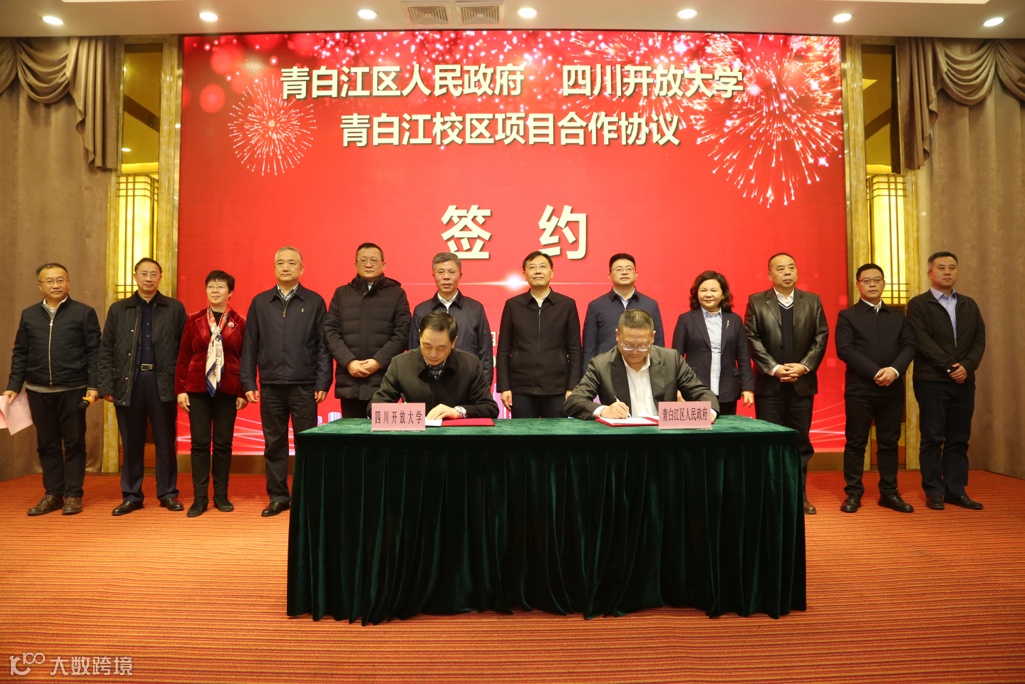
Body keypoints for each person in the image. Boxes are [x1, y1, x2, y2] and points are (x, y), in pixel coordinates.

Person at [240, 247, 331, 517]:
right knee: (274, 444)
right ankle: (278, 496)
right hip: (270, 385)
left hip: (304, 386)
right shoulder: (260, 302)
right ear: (274, 268)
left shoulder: (314, 301)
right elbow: (250, 345)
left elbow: (323, 346)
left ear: (302, 269)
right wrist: (248, 382)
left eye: (292, 263)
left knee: (307, 444)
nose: (286, 267)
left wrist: (323, 381)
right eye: (280, 263)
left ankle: (307, 497)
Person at [4, 263, 101, 516]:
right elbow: (20, 352)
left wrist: (94, 385)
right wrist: (13, 386)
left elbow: (95, 352)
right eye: (49, 281)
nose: (55, 285)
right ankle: (53, 494)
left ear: (68, 282)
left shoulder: (83, 313)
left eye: (60, 280)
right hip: (38, 391)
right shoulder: (29, 315)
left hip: (74, 389)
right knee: (47, 444)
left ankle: (74, 494)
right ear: (40, 286)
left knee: (74, 443)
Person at [98, 258, 187, 515]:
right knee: (131, 441)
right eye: (144, 274)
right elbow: (106, 349)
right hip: (129, 381)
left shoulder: (174, 308)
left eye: (153, 274)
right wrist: (106, 385)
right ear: (135, 276)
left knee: (165, 441)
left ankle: (168, 493)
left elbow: (185, 351)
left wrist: (182, 385)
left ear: (161, 277)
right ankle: (132, 495)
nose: (148, 278)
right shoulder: (119, 309)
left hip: (163, 381)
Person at [744, 252, 829, 515]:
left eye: (791, 267)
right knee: (770, 442)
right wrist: (775, 369)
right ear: (770, 275)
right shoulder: (757, 301)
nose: (787, 272)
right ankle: (771, 497)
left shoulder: (812, 301)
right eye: (781, 269)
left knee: (799, 442)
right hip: (770, 387)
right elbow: (752, 338)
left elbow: (821, 337)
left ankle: (798, 495)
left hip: (802, 385)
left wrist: (803, 367)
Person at [906, 251, 986, 511]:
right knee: (932, 437)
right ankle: (933, 491)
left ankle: (955, 490)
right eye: (941, 267)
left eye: (952, 267)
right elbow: (922, 341)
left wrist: (967, 367)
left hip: (964, 381)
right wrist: (951, 367)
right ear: (930, 272)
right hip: (932, 380)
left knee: (959, 438)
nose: (948, 272)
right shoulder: (919, 304)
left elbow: (979, 340)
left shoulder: (969, 304)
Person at [835, 264, 916, 514]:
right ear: (858, 284)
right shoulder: (847, 316)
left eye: (877, 280)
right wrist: (876, 372)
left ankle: (889, 492)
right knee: (856, 442)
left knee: (889, 443)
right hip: (860, 390)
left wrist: (894, 371)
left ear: (883, 284)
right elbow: (845, 350)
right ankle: (853, 493)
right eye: (866, 280)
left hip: (892, 388)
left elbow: (909, 345)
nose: (872, 284)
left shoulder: (898, 316)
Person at [175, 270, 247, 517]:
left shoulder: (240, 321)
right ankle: (200, 498)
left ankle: (221, 495)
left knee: (224, 443)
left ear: (230, 292)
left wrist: (243, 391)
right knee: (199, 443)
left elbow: (245, 358)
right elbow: (183, 357)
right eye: (211, 286)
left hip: (228, 388)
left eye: (220, 286)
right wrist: (180, 390)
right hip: (197, 388)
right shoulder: (193, 319)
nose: (215, 291)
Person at [566, 309, 718, 420]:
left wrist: (709, 411)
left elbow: (702, 393)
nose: (635, 352)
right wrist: (603, 410)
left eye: (643, 346)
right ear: (617, 335)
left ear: (652, 337)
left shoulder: (671, 359)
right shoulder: (601, 364)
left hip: (664, 437)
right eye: (627, 345)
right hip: (624, 439)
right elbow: (574, 401)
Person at [325, 242, 411, 419]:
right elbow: (331, 331)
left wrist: (377, 362)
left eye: (373, 260)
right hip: (350, 380)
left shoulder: (397, 294)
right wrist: (349, 362)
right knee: (351, 433)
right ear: (355, 265)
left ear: (383, 264)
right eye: (363, 260)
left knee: (383, 434)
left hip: (384, 380)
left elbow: (402, 334)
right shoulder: (341, 294)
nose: (368, 264)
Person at [496, 251, 582, 418]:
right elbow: (503, 350)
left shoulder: (566, 305)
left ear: (551, 272)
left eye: (543, 267)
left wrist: (573, 387)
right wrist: (504, 387)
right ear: (524, 274)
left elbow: (575, 350)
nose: (537, 271)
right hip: (521, 387)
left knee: (558, 434)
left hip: (557, 388)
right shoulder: (513, 305)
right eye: (532, 267)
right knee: (524, 433)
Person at [372, 312, 498, 419]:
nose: (433, 354)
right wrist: (409, 414)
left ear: (453, 342)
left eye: (441, 347)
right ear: (420, 335)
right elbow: (374, 408)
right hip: (415, 437)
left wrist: (457, 412)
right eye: (427, 346)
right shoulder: (400, 364)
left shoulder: (470, 364)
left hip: (456, 436)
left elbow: (490, 408)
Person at [671, 270, 754, 415]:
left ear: (723, 294)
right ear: (696, 294)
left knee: (727, 428)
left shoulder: (734, 320)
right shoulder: (686, 320)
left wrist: (747, 387)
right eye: (703, 290)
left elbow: (743, 356)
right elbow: (676, 357)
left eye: (713, 290)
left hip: (727, 389)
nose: (708, 294)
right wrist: (676, 388)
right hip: (694, 389)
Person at [410, 252, 493, 384]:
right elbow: (413, 352)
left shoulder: (475, 309)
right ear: (433, 275)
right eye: (441, 272)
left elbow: (485, 352)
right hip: (430, 383)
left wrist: (484, 387)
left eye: (451, 272)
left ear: (460, 275)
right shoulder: (421, 310)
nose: (446, 277)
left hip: (468, 381)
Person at [581, 253, 664, 369]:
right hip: (606, 369)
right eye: (619, 269)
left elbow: (658, 343)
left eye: (629, 269)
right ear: (610, 276)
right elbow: (589, 347)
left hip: (642, 368)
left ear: (636, 275)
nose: (624, 272)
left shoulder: (650, 305)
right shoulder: (596, 306)